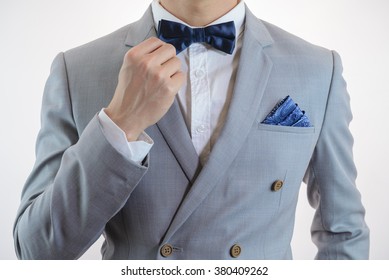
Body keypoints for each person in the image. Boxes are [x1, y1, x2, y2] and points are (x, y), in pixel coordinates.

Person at [13, 0, 369, 259]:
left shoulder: (318, 69)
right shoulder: (76, 70)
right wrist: (121, 122)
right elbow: (36, 252)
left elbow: (343, 233)